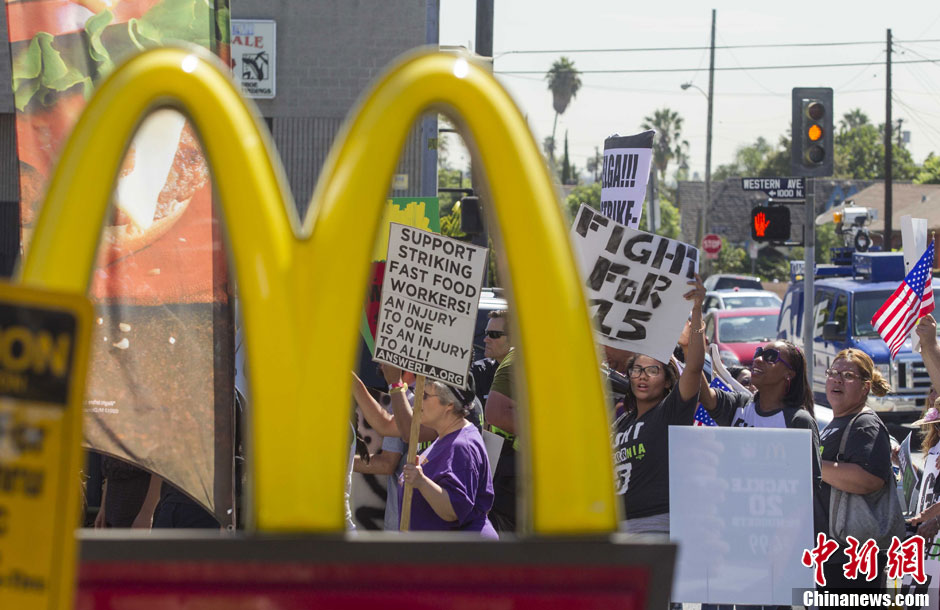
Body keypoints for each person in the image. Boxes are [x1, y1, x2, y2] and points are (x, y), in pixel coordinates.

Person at [611, 274, 706, 536]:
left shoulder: (669, 413)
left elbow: (695, 367)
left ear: (667, 382)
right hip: (616, 529)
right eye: (637, 370)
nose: (642, 376)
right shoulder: (621, 422)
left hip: (654, 525)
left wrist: (696, 312)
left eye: (652, 370)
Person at [701, 340, 824, 534]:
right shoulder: (738, 406)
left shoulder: (798, 421)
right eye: (758, 353)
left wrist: (786, 538)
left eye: (770, 357)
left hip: (777, 533)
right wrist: (690, 346)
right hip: (733, 526)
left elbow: (809, 489)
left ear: (789, 374)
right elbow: (703, 393)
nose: (757, 360)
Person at [818, 348, 897, 592]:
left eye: (848, 376)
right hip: (832, 554)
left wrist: (811, 466)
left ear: (865, 387)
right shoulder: (836, 422)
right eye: (833, 372)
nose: (837, 379)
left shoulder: (864, 423)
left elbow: (869, 480)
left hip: (854, 558)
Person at [400, 381, 497, 538]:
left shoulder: (461, 446)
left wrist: (421, 482)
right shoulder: (448, 436)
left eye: (424, 395)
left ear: (450, 404)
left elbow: (454, 509)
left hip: (457, 556)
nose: (417, 399)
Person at [470, 309, 512, 406]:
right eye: (486, 333)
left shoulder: (533, 375)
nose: (485, 340)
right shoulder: (478, 372)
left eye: (494, 334)